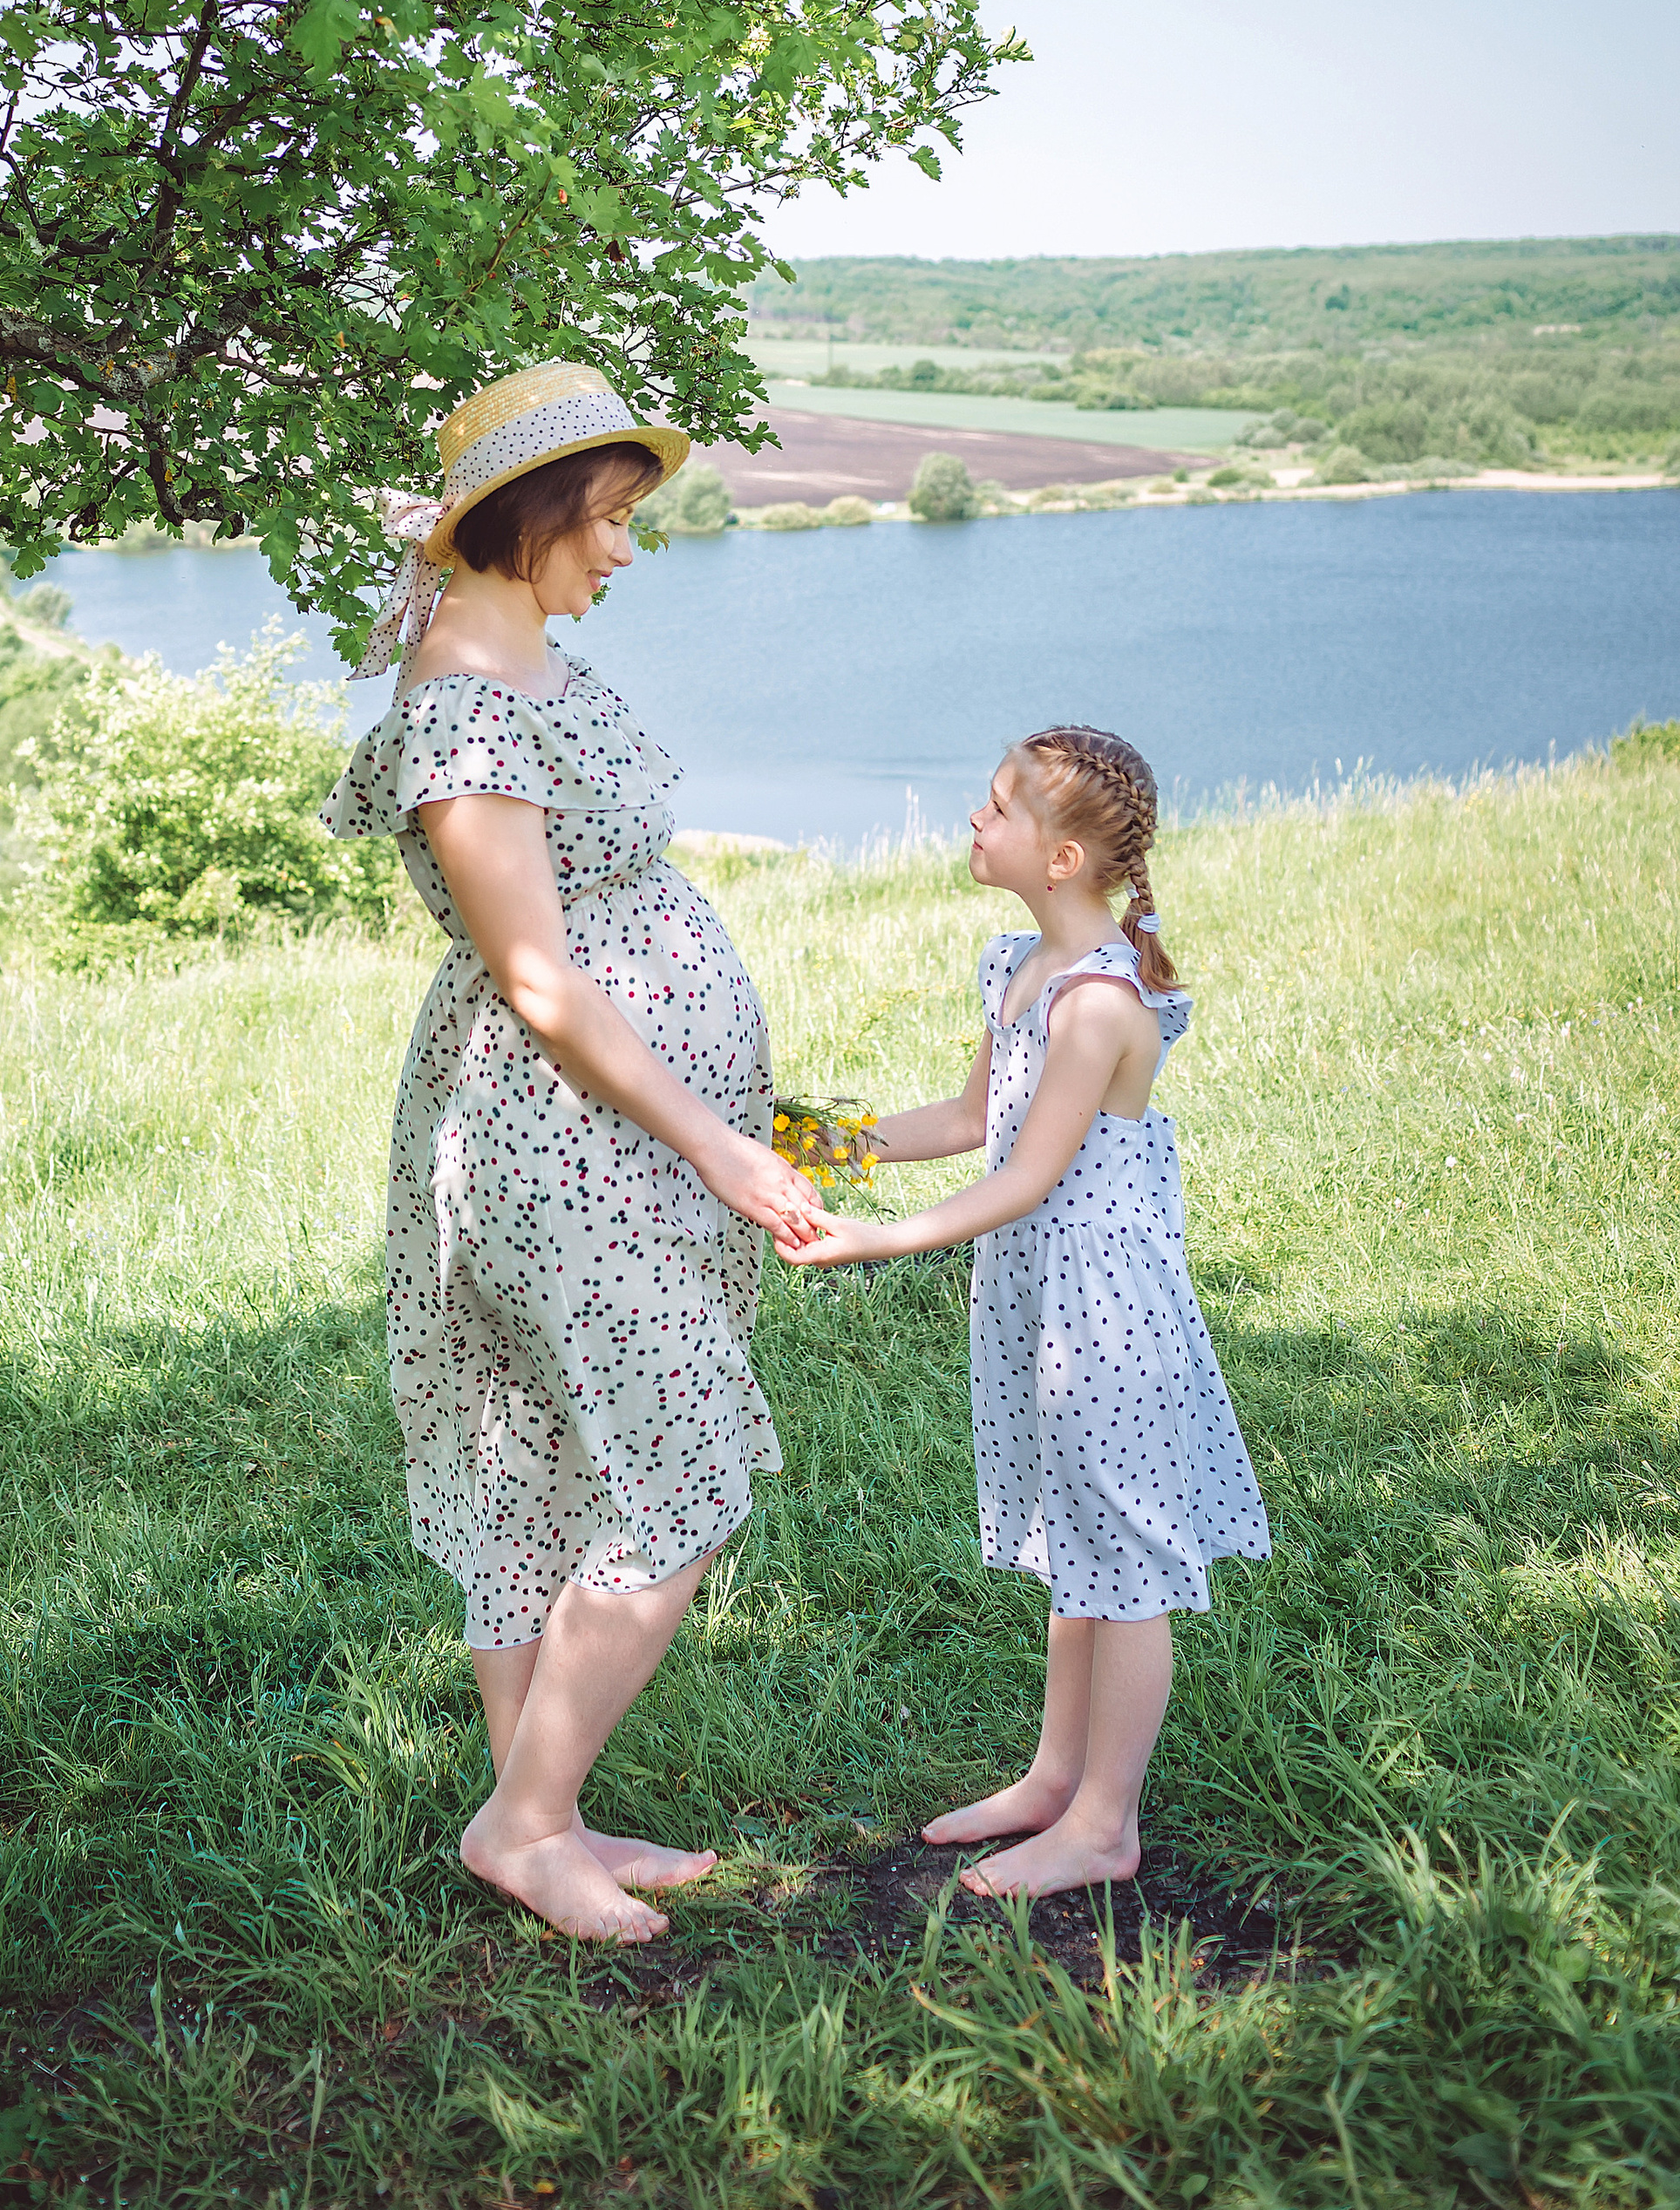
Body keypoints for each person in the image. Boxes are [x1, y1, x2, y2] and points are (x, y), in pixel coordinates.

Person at [323, 360, 835, 1945]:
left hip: (615, 1134)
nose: (624, 551)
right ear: (525, 514)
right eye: (607, 520)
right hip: (569, 1143)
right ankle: (524, 1823)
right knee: (672, 1471)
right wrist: (725, 1149)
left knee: (545, 1465)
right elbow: (541, 983)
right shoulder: (467, 709)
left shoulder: (515, 655)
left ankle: (542, 1814)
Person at [779, 724, 1268, 1900]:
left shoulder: (1101, 1005)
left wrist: (866, 1241)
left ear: (1060, 859)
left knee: (1127, 1561)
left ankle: (1106, 1825)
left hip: (1106, 1306)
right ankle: (1056, 1779)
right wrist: (806, 1143)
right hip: (1039, 1297)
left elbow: (1023, 1178)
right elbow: (964, 1121)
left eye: (996, 807)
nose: (973, 820)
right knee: (1075, 1546)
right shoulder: (1016, 966)